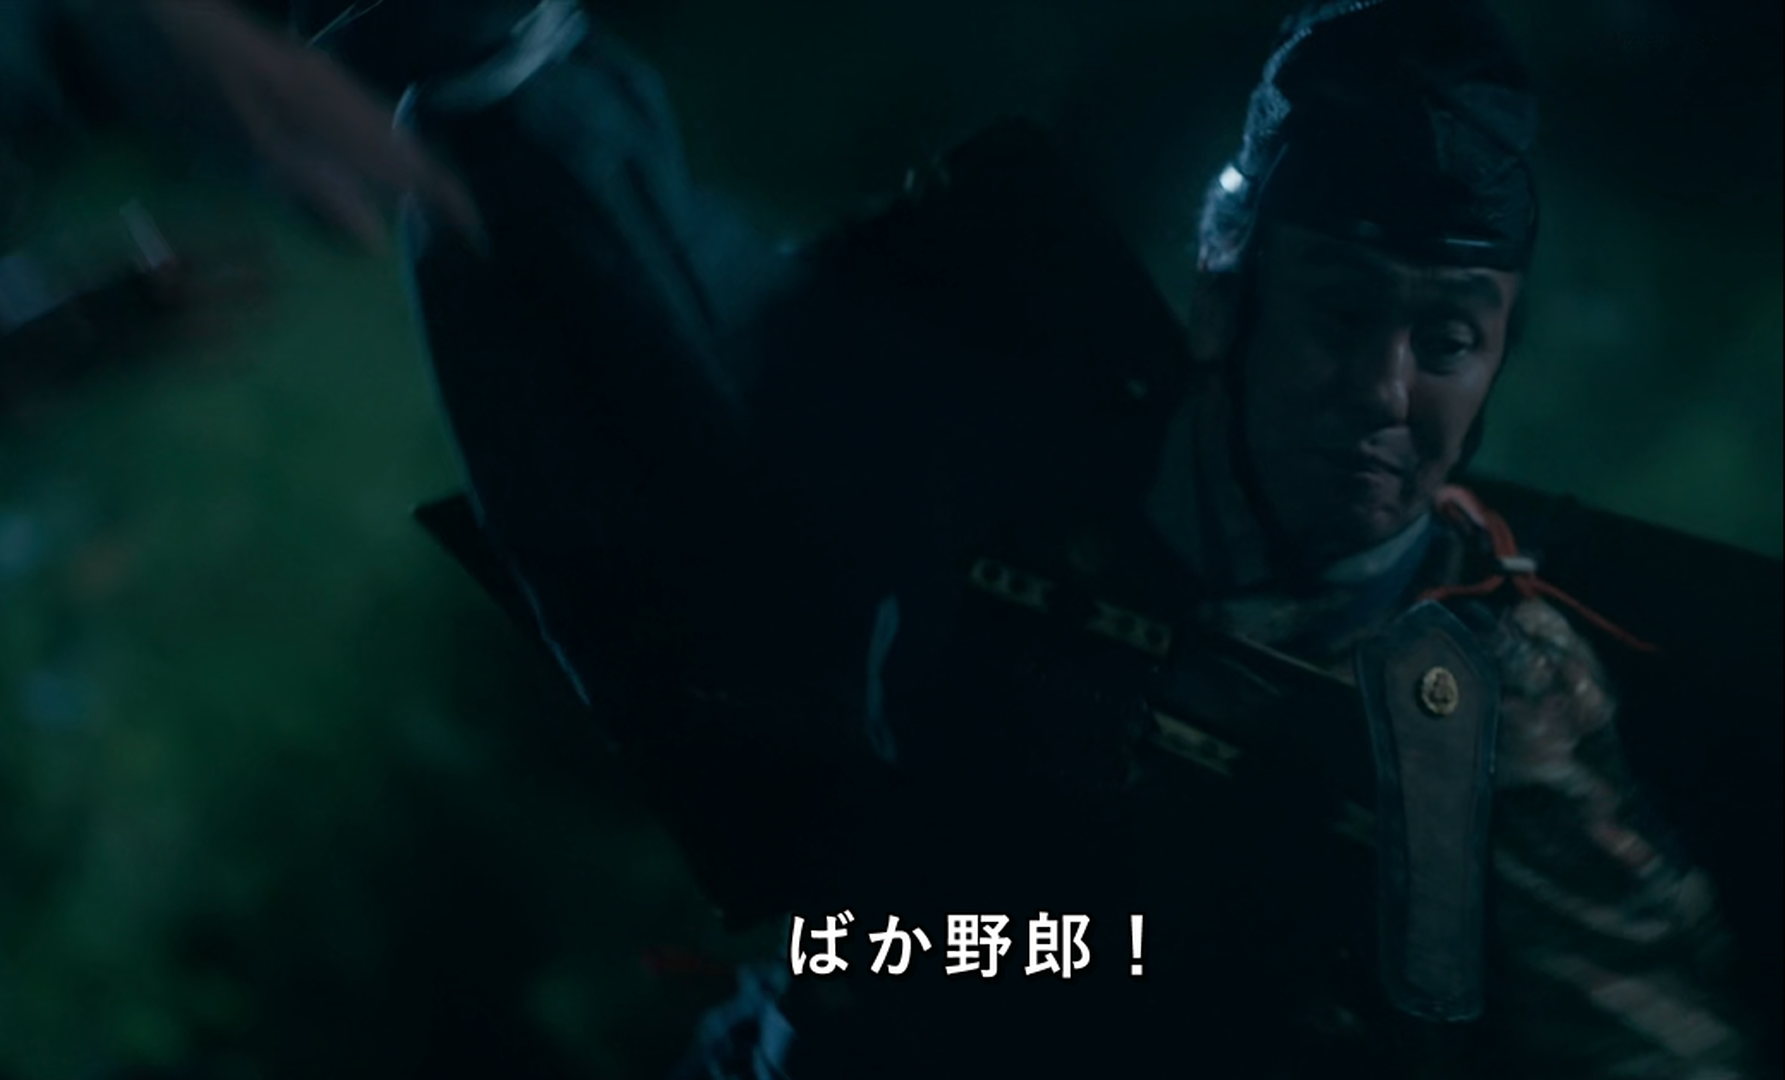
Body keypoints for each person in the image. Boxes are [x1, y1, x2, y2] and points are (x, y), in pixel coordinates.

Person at [363, 1, 1765, 1077]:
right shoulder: (994, 453)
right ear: (1229, 290)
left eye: (1448, 338)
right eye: (1340, 314)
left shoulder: (1494, 698)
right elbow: (680, 308)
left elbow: (1648, 1047)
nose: (1386, 394)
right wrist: (505, 67)